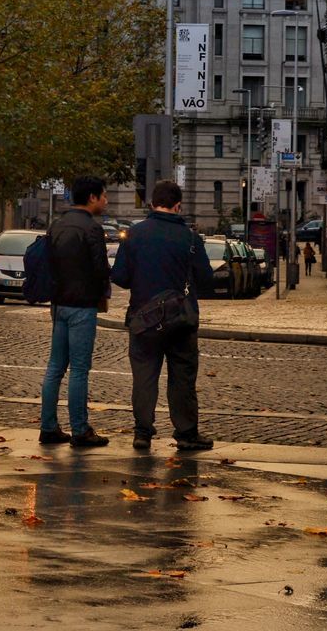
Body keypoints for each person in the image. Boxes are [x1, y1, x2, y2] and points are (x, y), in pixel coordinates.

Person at [111, 179, 215, 453]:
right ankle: (186, 433)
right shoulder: (190, 238)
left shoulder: (135, 234)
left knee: (144, 376)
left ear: (152, 204)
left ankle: (143, 432)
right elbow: (206, 280)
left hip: (143, 318)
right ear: (178, 205)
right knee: (182, 377)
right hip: (181, 320)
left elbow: (120, 277)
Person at [38, 176, 111, 449]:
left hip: (58, 304)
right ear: (92, 197)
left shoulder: (57, 225)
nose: (106, 201)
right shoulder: (91, 229)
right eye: (104, 196)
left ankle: (48, 427)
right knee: (79, 369)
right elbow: (100, 269)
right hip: (82, 305)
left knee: (55, 367)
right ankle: (80, 430)